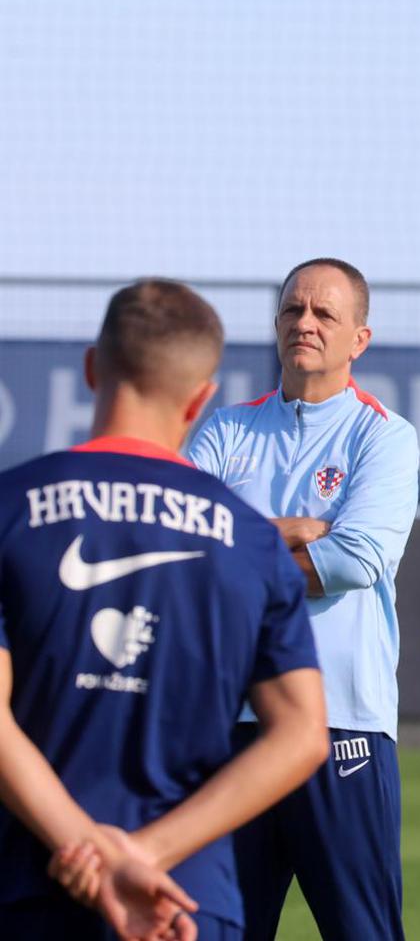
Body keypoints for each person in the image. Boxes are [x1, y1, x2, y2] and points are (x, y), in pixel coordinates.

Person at [0, 279, 328, 940]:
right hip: (182, 901)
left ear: (93, 367)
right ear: (201, 399)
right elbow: (302, 735)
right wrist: (145, 856)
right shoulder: (252, 540)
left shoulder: (10, 507)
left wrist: (86, 853)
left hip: (28, 892)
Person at [185, 258, 419, 941]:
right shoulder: (227, 429)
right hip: (234, 720)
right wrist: (297, 533)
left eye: (324, 314)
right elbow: (185, 553)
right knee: (216, 930)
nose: (305, 324)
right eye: (294, 310)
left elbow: (356, 559)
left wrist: (240, 539)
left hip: (341, 724)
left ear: (359, 339)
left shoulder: (384, 436)